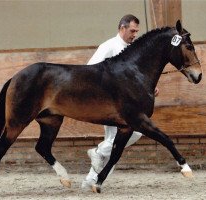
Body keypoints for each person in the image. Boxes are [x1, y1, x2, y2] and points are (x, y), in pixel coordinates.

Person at [82, 14, 159, 190]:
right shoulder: (109, 46)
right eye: (132, 31)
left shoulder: (133, 50)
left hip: (126, 106)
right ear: (122, 28)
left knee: (120, 142)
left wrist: (149, 88)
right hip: (110, 105)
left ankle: (92, 178)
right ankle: (94, 172)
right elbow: (90, 69)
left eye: (137, 31)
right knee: (117, 143)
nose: (135, 35)